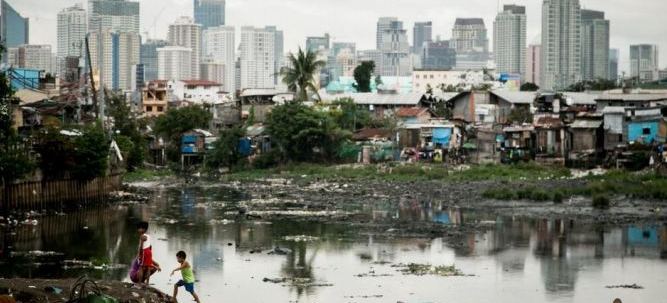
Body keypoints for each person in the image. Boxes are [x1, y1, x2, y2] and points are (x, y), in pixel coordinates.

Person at [136, 221, 155, 285]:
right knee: (148, 267)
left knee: (141, 267)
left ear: (143, 229)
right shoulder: (148, 236)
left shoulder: (142, 236)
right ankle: (147, 283)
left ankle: (139, 283)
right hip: (149, 251)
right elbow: (150, 246)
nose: (138, 230)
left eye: (139, 228)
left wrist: (139, 254)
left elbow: (141, 247)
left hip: (144, 251)